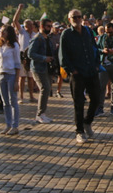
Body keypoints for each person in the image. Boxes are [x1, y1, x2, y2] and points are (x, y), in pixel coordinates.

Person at [60, 8, 101, 144]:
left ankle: (87, 122)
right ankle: (79, 131)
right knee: (79, 102)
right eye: (74, 18)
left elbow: (95, 48)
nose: (77, 19)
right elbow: (63, 55)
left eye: (79, 17)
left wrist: (96, 64)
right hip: (78, 73)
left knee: (96, 98)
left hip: (91, 70)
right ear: (69, 20)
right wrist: (72, 70)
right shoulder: (66, 34)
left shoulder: (88, 31)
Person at [0, 24, 22, 135]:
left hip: (11, 74)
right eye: (1, 31)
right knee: (5, 102)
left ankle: (15, 126)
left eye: (4, 31)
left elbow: (17, 64)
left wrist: (16, 80)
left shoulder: (14, 45)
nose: (1, 33)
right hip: (1, 74)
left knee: (13, 101)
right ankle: (8, 124)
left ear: (9, 33)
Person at [28, 18, 56, 124]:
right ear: (42, 26)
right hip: (38, 68)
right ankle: (39, 114)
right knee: (45, 88)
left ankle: (43, 113)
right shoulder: (37, 38)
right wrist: (44, 58)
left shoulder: (47, 39)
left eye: (50, 26)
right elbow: (30, 54)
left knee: (47, 89)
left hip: (47, 67)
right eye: (48, 26)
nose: (50, 28)